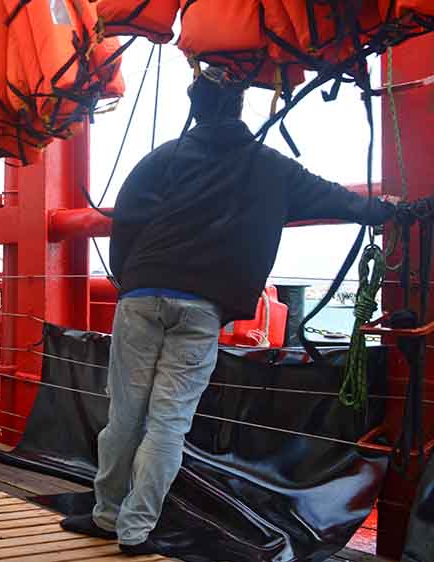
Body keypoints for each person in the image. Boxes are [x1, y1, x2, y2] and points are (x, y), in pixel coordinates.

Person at [59, 66, 399, 555]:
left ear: (195, 106)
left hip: (142, 294)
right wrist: (386, 210)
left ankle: (107, 514)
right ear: (241, 107)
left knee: (125, 417)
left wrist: (133, 279)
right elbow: (338, 199)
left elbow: (127, 217)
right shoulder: (271, 166)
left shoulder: (164, 157)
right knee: (168, 425)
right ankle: (135, 531)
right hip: (202, 306)